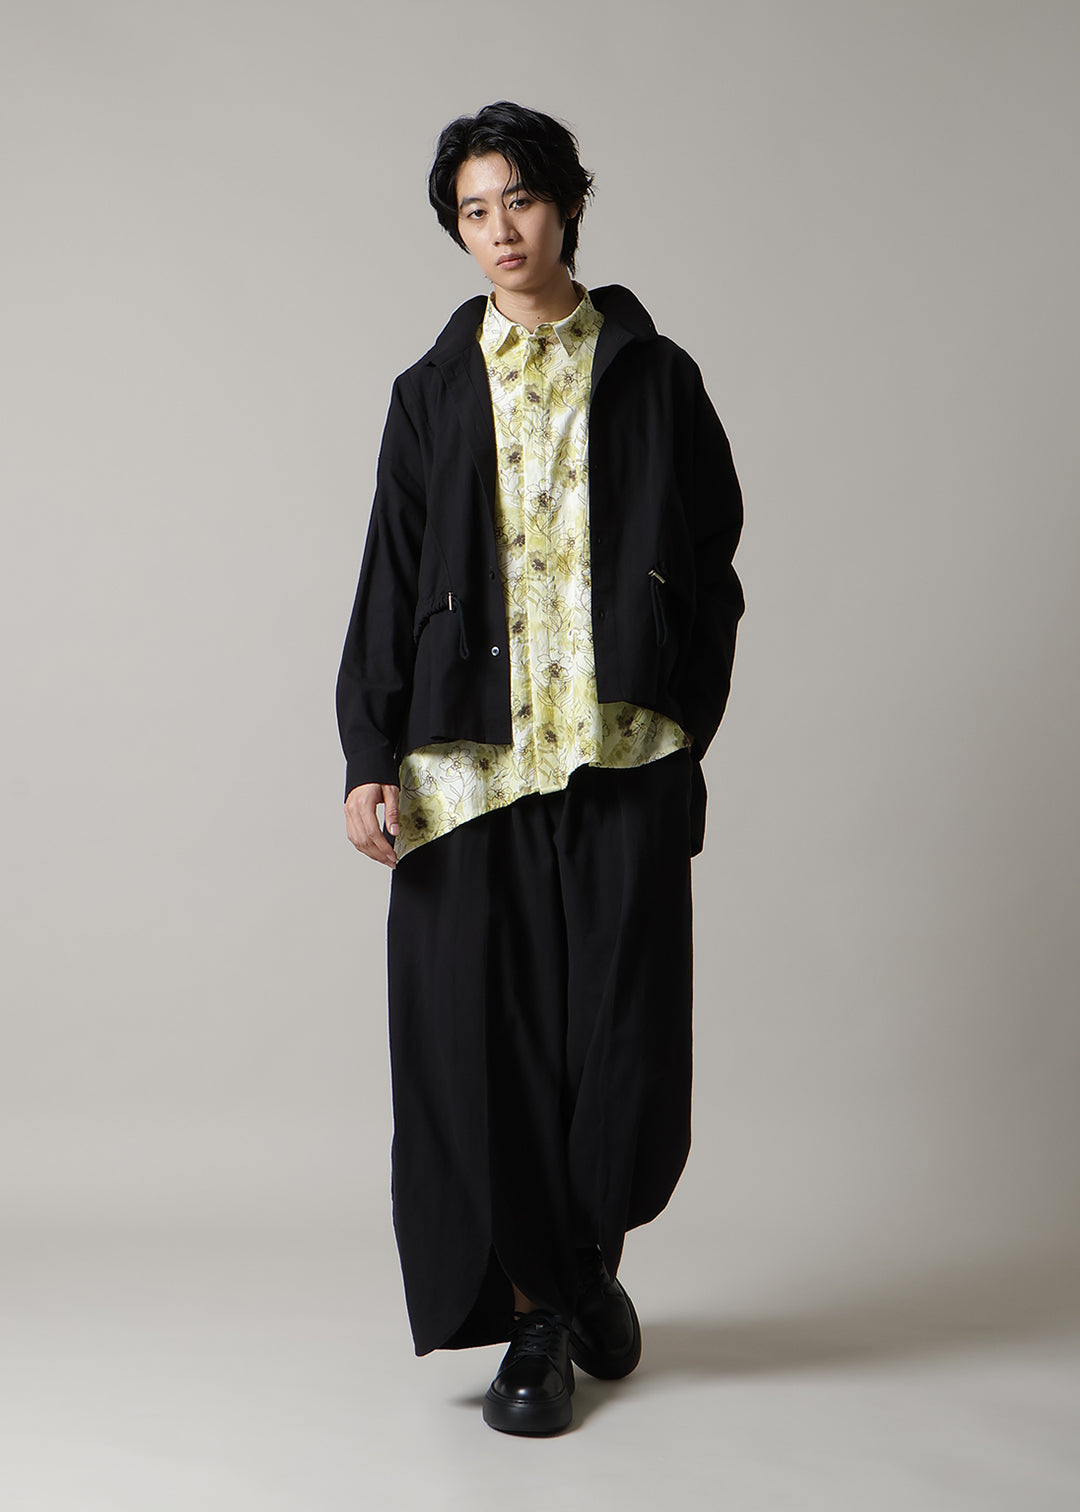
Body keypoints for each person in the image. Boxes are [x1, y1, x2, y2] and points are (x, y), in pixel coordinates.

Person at [336, 100, 745, 1436]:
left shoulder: (656, 375)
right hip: (469, 771)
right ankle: (541, 1317)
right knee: (481, 1053)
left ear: (565, 203)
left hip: (618, 759)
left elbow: (715, 561)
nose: (500, 231)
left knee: (615, 1045)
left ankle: (581, 1266)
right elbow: (391, 577)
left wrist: (681, 713)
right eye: (474, 211)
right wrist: (368, 751)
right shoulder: (429, 393)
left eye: (518, 199)